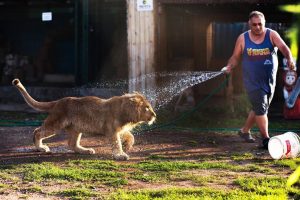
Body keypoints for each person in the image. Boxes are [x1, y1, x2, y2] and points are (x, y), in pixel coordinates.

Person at [222, 11, 295, 149]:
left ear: (264, 23)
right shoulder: (243, 38)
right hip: (252, 81)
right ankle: (266, 139)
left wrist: (290, 58)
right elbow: (235, 57)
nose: (257, 27)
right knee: (261, 108)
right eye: (254, 24)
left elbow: (284, 48)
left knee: (260, 107)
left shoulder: (271, 34)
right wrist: (229, 66)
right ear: (249, 24)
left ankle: (244, 131)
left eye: (260, 24)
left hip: (269, 80)